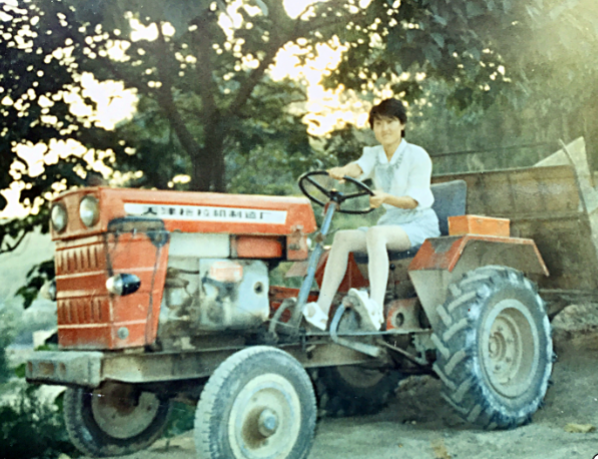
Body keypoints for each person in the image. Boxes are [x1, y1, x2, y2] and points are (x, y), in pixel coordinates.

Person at [303, 98, 440, 331]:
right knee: (342, 238)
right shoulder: (375, 154)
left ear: (402, 124)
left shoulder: (418, 156)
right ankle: (322, 310)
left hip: (418, 223)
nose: (384, 129)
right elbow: (358, 168)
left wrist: (385, 198)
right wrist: (342, 172)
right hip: (391, 224)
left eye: (390, 122)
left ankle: (375, 307)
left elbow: (413, 201)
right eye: (378, 123)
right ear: (373, 128)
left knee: (375, 234)